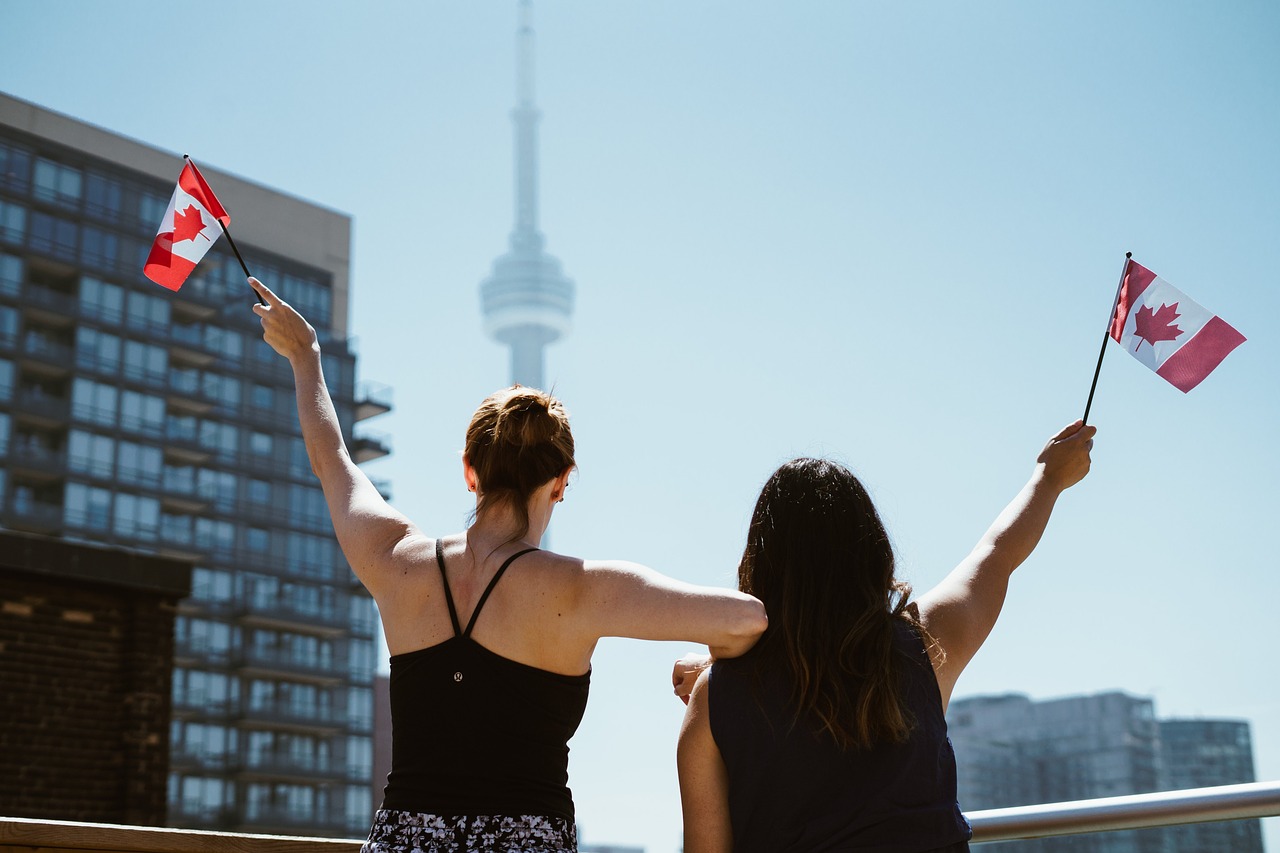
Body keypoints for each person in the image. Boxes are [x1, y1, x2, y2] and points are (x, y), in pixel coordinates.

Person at [248, 277, 767, 853]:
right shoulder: (583, 589)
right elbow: (747, 620)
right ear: (562, 482)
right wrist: (709, 674)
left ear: (470, 471)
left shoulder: (396, 562)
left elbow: (332, 462)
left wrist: (305, 355)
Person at [673, 421, 1096, 852]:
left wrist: (717, 677)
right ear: (871, 551)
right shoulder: (925, 648)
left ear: (760, 562)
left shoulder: (715, 700)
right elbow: (996, 554)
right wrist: (1048, 477)